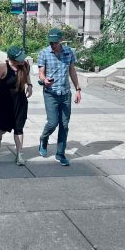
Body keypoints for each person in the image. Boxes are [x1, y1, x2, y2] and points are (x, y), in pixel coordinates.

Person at [37, 28, 82, 166]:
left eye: (55, 42)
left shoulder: (69, 52)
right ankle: (44, 139)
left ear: (61, 40)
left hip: (65, 93)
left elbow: (72, 70)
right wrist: (44, 80)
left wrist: (78, 89)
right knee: (52, 123)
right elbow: (41, 73)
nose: (53, 45)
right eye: (51, 42)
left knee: (64, 125)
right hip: (51, 93)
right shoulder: (44, 53)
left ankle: (60, 153)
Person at [0, 46, 33, 166]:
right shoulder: (3, 67)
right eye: (19, 59)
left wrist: (29, 85)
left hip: (20, 101)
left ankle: (19, 155)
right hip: (4, 102)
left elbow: (27, 75)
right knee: (2, 127)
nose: (22, 60)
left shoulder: (24, 65)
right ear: (12, 59)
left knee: (19, 128)